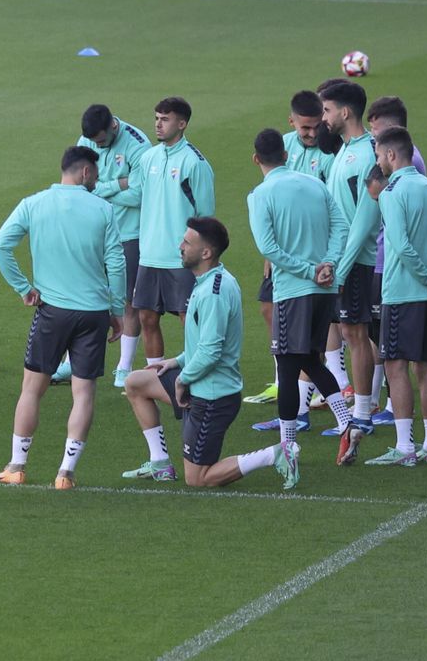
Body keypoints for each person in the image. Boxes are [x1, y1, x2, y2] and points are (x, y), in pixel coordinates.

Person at [119, 220, 297, 489]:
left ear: (206, 253)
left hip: (212, 396)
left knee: (198, 478)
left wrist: (181, 380)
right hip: (200, 380)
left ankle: (274, 454)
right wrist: (176, 362)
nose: (180, 246)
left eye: (187, 243)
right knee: (136, 382)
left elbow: (212, 352)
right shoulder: (207, 282)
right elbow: (204, 345)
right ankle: (160, 464)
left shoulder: (214, 292)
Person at [0, 147, 125, 490]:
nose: (96, 180)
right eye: (94, 174)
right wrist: (116, 310)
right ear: (84, 173)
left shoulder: (34, 203)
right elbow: (117, 263)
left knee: (32, 390)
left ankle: (17, 466)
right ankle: (65, 473)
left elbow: (0, 246)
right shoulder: (104, 209)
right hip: (94, 313)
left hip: (52, 311)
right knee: (84, 393)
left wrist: (24, 287)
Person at [242, 129, 360, 472]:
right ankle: (346, 421)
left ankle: (288, 449)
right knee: (310, 358)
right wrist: (329, 264)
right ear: (286, 154)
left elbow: (268, 248)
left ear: (256, 159)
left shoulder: (260, 194)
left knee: (289, 366)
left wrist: (310, 271)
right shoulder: (315, 184)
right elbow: (341, 227)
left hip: (294, 291)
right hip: (324, 289)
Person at [361, 127, 427, 467]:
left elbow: (400, 245)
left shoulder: (391, 193)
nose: (378, 161)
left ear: (392, 155)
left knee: (396, 367)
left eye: (379, 155)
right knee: (425, 367)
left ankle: (405, 447)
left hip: (402, 294)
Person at [246, 90, 336, 406]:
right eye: (305, 129)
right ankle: (296, 388)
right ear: (292, 122)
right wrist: (270, 255)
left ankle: (312, 395)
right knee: (270, 311)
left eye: (317, 127)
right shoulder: (283, 146)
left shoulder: (330, 151)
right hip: (288, 255)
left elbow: (335, 209)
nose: (312, 134)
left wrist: (326, 261)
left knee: (325, 333)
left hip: (318, 253)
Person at [124, 96, 215, 386]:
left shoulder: (195, 163)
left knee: (189, 322)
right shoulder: (149, 157)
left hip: (180, 258)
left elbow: (205, 216)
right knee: (147, 319)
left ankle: (198, 377)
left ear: (182, 123)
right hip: (149, 255)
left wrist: (200, 256)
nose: (158, 124)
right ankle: (157, 380)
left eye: (165, 119)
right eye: (156, 118)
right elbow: (138, 195)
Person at [317, 79, 382, 428]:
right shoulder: (345, 149)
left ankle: (362, 413)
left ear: (344, 111)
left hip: (355, 261)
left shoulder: (368, 153)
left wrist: (341, 267)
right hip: (342, 258)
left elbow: (365, 220)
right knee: (351, 333)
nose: (323, 117)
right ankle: (365, 405)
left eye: (326, 110)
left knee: (355, 334)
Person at [73, 104, 151, 385]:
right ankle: (72, 362)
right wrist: (120, 183)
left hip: (128, 232)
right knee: (82, 294)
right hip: (93, 229)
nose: (97, 145)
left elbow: (141, 194)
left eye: (101, 141)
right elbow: (77, 184)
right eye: (93, 142)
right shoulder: (86, 140)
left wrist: (100, 188)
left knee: (129, 299)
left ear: (113, 127)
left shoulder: (138, 145)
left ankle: (124, 367)